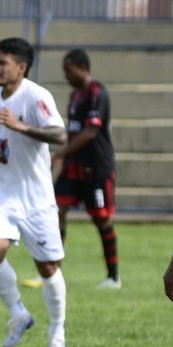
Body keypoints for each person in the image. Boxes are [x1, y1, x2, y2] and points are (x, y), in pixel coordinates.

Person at [0, 37, 69, 347]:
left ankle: (57, 330)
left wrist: (21, 126)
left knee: (48, 266)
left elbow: (60, 135)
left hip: (35, 196)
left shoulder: (37, 97)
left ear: (21, 68)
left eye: (2, 62)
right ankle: (18, 314)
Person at [52, 48, 120, 289]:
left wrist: (60, 154)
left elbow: (91, 132)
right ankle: (52, 274)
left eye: (68, 70)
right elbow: (73, 132)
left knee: (102, 220)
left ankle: (113, 277)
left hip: (97, 168)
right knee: (55, 210)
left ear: (82, 67)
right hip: (74, 167)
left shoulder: (97, 93)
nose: (66, 76)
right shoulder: (75, 97)